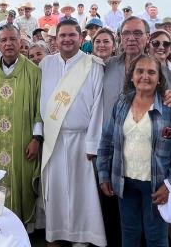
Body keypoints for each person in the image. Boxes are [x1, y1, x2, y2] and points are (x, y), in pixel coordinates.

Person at [98, 55, 171, 247]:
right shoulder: (121, 104)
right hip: (124, 182)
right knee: (129, 233)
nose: (145, 76)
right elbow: (107, 140)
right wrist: (104, 175)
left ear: (159, 78)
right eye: (140, 71)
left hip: (156, 185)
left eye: (151, 72)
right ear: (132, 76)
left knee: (156, 237)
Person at [40, 19, 106, 247]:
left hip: (82, 140)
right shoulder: (45, 64)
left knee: (82, 192)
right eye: (62, 35)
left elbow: (99, 106)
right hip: (53, 139)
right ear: (56, 39)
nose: (67, 39)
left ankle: (82, 237)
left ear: (81, 38)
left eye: (72, 35)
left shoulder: (93, 65)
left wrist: (92, 144)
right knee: (56, 189)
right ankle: (55, 234)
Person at [0, 25, 42, 225]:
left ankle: (21, 226)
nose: (8, 44)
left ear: (20, 41)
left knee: (20, 180)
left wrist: (36, 138)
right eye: (3, 40)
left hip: (22, 142)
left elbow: (40, 106)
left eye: (12, 39)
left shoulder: (33, 71)